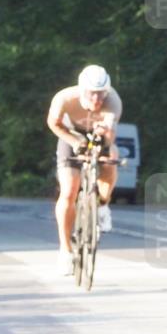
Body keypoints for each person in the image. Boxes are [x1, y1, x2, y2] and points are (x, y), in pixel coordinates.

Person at [47, 65, 122, 275]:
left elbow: (110, 139)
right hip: (69, 134)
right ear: (82, 90)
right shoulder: (64, 98)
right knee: (69, 190)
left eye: (101, 94)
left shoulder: (113, 101)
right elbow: (53, 124)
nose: (97, 99)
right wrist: (75, 141)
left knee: (110, 157)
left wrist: (105, 132)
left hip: (99, 134)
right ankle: (65, 251)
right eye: (92, 93)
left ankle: (103, 205)